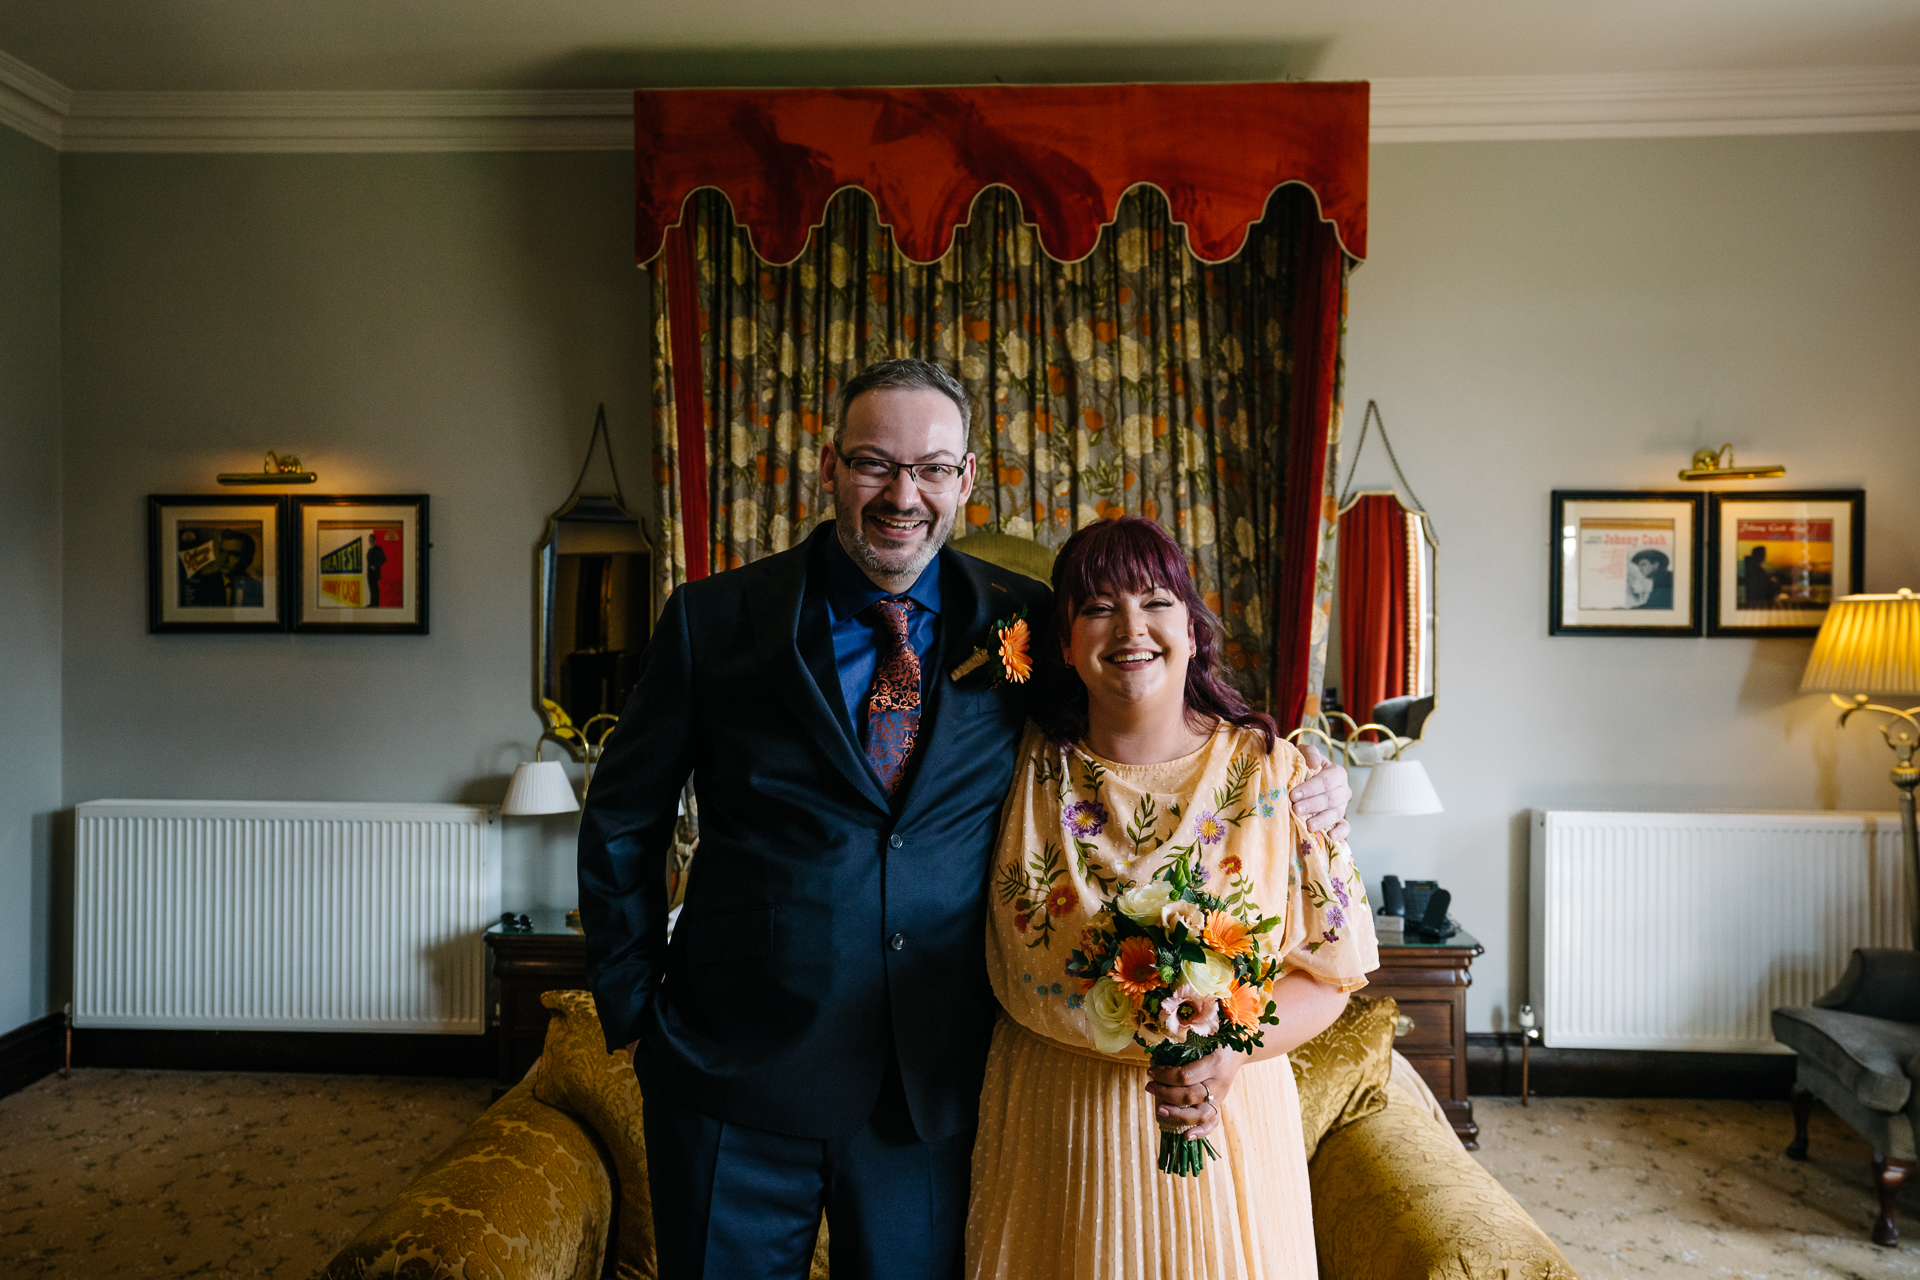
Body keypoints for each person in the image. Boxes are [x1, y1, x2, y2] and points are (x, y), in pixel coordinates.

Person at [578, 359, 1353, 1280]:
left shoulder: (1028, 621)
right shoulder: (713, 620)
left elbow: (1142, 713)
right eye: (874, 464)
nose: (903, 495)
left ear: (966, 480)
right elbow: (624, 816)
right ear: (828, 467)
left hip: (937, 1086)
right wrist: (633, 1008)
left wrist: (1307, 771)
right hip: (730, 1072)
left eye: (932, 469)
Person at [966, 515, 1378, 1280]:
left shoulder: (1279, 778)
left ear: (1193, 630)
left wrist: (1223, 1055)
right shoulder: (1012, 761)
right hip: (1055, 1122)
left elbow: (1332, 977)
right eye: (1096, 607)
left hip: (1225, 1121)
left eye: (1156, 600)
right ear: (1062, 642)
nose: (1131, 628)